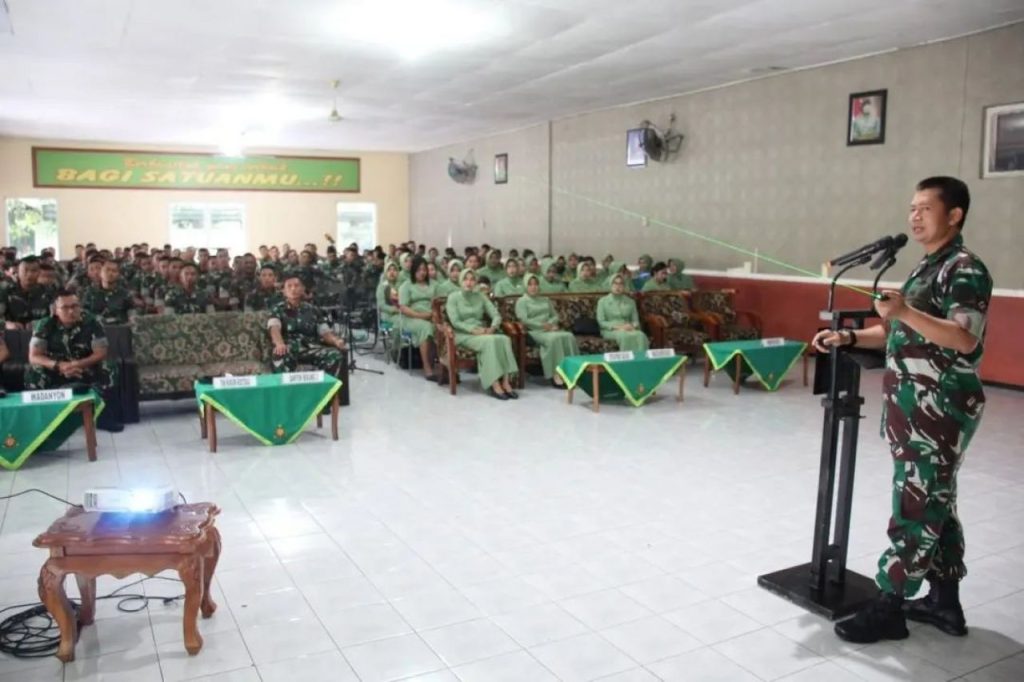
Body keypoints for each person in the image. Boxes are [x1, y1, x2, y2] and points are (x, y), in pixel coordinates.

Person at [813, 177, 991, 644]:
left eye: (925, 208)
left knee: (915, 506)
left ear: (954, 215)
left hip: (939, 407)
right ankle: (944, 602)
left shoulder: (964, 269)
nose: (914, 216)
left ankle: (889, 606)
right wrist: (849, 337)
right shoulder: (926, 268)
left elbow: (964, 337)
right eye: (911, 208)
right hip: (914, 407)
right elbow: (898, 332)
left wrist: (906, 312)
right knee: (937, 501)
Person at [25, 290, 123, 432]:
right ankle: (43, 421)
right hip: (56, 369)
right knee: (33, 370)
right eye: (65, 307)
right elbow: (34, 356)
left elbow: (101, 353)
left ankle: (105, 417)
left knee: (109, 366)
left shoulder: (92, 322)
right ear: (55, 310)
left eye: (75, 306)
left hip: (85, 366)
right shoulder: (44, 325)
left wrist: (75, 365)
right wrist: (59, 366)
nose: (71, 311)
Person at [445, 269, 518, 400]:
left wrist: (493, 327)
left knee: (504, 339)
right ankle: (494, 383)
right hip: (463, 334)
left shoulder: (480, 296)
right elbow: (455, 322)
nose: (469, 282)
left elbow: (496, 314)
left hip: (482, 332)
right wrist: (472, 330)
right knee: (489, 342)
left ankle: (506, 382)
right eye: (466, 279)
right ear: (461, 281)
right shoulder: (453, 297)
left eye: (472, 279)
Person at [267, 276, 347, 377]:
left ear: (303, 289)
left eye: (296, 286)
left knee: (335, 355)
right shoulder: (278, 309)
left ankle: (324, 390)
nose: (293, 289)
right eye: (289, 286)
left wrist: (336, 341)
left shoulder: (312, 309)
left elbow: (324, 331)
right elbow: (274, 328)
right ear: (283, 291)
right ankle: (288, 391)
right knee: (279, 356)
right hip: (289, 349)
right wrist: (279, 344)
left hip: (311, 348)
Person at [515, 273, 579, 387]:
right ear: (525, 286)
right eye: (530, 284)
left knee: (568, 336)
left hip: (550, 328)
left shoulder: (545, 299)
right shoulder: (522, 301)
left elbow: (555, 316)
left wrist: (550, 324)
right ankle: (556, 374)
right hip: (535, 331)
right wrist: (542, 326)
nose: (533, 287)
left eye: (535, 284)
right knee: (555, 339)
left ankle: (573, 372)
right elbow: (524, 320)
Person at [397, 257, 438, 381]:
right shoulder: (407, 285)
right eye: (419, 269)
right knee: (425, 327)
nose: (422, 272)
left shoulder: (434, 284)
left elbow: (439, 302)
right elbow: (403, 308)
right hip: (411, 318)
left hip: (431, 316)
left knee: (442, 327)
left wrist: (434, 314)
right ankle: (427, 368)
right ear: (413, 270)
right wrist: (421, 316)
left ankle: (444, 366)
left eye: (424, 269)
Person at [597, 274, 649, 352]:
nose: (618, 286)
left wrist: (631, 326)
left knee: (641, 335)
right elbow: (601, 322)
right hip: (611, 330)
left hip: (628, 328)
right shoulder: (602, 301)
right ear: (610, 285)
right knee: (623, 336)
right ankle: (627, 362)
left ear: (624, 286)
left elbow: (636, 321)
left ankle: (641, 361)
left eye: (621, 284)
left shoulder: (630, 301)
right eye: (615, 283)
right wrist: (618, 327)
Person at [3, 256, 54, 329]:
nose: (29, 274)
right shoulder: (6, 291)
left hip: (41, 334)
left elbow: (57, 318)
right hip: (11, 335)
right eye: (25, 270)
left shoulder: (49, 293)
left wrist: (40, 323)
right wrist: (6, 324)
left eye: (34, 270)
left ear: (39, 272)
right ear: (18, 271)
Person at [81, 260, 136, 324]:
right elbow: (84, 311)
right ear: (101, 272)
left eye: (114, 271)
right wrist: (95, 317)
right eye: (107, 270)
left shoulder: (125, 294)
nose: (110, 273)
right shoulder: (90, 292)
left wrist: (131, 320)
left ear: (118, 274)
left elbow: (132, 311)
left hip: (119, 328)